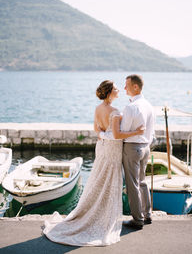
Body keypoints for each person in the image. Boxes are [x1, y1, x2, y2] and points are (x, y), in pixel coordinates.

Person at [43, 80, 144, 246]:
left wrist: (103, 135)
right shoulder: (116, 111)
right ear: (110, 92)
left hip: (102, 147)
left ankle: (95, 211)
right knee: (109, 180)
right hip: (112, 148)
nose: (119, 90)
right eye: (116, 88)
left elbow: (97, 130)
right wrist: (137, 132)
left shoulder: (98, 108)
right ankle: (103, 215)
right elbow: (117, 136)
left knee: (99, 178)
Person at [100, 74, 155, 230]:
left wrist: (102, 134)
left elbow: (120, 133)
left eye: (127, 85)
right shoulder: (149, 105)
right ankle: (147, 215)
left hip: (132, 148)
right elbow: (150, 131)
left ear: (135, 87)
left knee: (132, 185)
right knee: (142, 182)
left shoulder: (131, 107)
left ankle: (138, 220)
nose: (124, 88)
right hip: (145, 147)